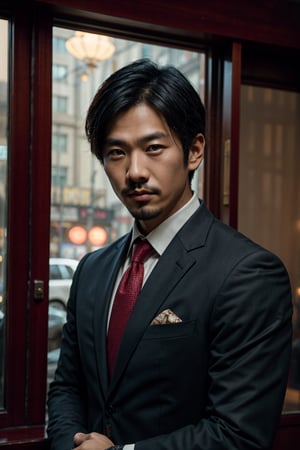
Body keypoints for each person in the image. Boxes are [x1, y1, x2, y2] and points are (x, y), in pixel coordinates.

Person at [47, 59, 293, 450]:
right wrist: (70, 441)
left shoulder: (247, 273)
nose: (135, 171)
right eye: (116, 153)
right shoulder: (92, 269)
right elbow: (66, 389)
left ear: (194, 151)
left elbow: (238, 434)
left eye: (154, 148)